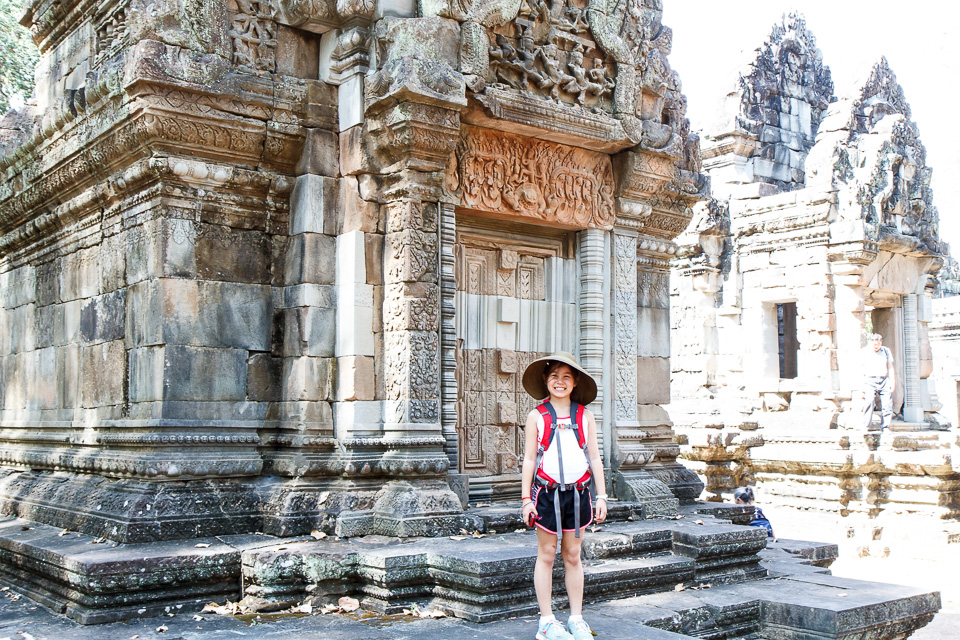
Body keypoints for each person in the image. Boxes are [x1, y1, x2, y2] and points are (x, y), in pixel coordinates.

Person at [520, 352, 607, 640]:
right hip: (546, 494)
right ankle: (546, 622)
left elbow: (594, 457)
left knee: (572, 555)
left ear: (576, 382)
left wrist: (602, 496)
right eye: (555, 376)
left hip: (579, 494)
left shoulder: (585, 416)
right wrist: (526, 499)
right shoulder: (537, 416)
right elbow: (529, 459)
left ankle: (576, 619)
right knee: (546, 555)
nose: (560, 382)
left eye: (567, 376)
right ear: (546, 380)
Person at [860, 333, 895, 431]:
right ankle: (865, 426)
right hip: (870, 380)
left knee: (887, 404)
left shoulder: (886, 351)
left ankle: (885, 426)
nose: (876, 346)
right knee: (869, 401)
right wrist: (862, 385)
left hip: (883, 379)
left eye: (878, 344)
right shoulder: (865, 352)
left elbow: (890, 367)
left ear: (881, 343)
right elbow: (861, 368)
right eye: (874, 344)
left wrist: (892, 382)